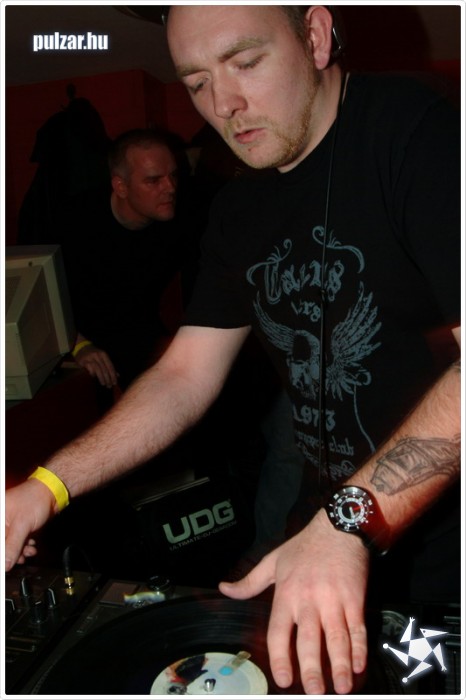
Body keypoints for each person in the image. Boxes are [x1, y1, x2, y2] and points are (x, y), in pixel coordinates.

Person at [5, 6, 460, 695]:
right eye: (195, 83)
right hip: (318, 546)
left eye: (245, 63)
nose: (222, 104)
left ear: (315, 37)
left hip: (440, 566)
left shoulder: (418, 134)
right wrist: (45, 487)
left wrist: (348, 522)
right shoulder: (238, 211)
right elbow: (184, 375)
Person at [61, 128, 195, 394]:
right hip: (79, 339)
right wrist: (77, 344)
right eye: (153, 181)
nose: (170, 188)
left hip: (141, 334)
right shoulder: (74, 223)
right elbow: (39, 300)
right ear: (120, 187)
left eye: (173, 175)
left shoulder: (183, 219)